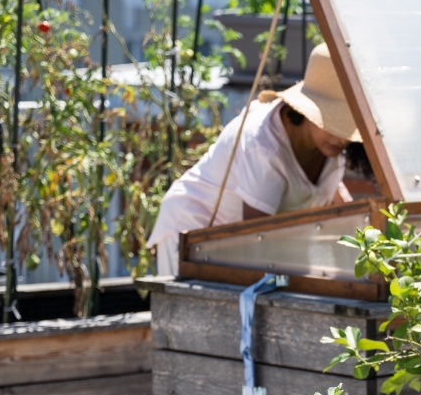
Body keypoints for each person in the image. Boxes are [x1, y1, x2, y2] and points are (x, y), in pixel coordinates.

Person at [147, 43, 360, 276]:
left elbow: (338, 202)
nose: (342, 136)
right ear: (307, 110)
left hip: (236, 246)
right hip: (193, 233)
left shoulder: (327, 145)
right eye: (333, 122)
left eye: (348, 125)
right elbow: (258, 243)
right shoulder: (263, 147)